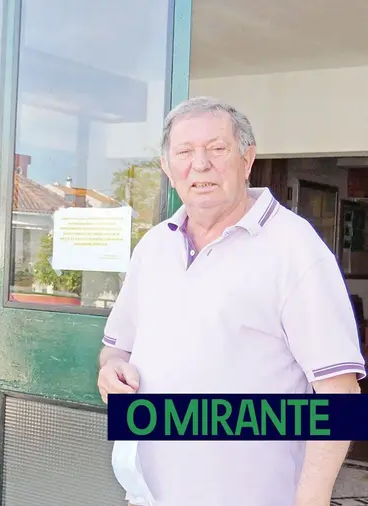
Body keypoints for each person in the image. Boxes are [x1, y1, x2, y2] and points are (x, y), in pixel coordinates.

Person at [97, 96, 367, 506]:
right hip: (145, 496)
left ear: (247, 159)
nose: (200, 164)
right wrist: (111, 371)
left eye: (217, 149)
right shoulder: (153, 246)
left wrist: (310, 500)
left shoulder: (295, 249)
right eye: (184, 152)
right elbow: (115, 350)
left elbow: (340, 394)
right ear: (169, 170)